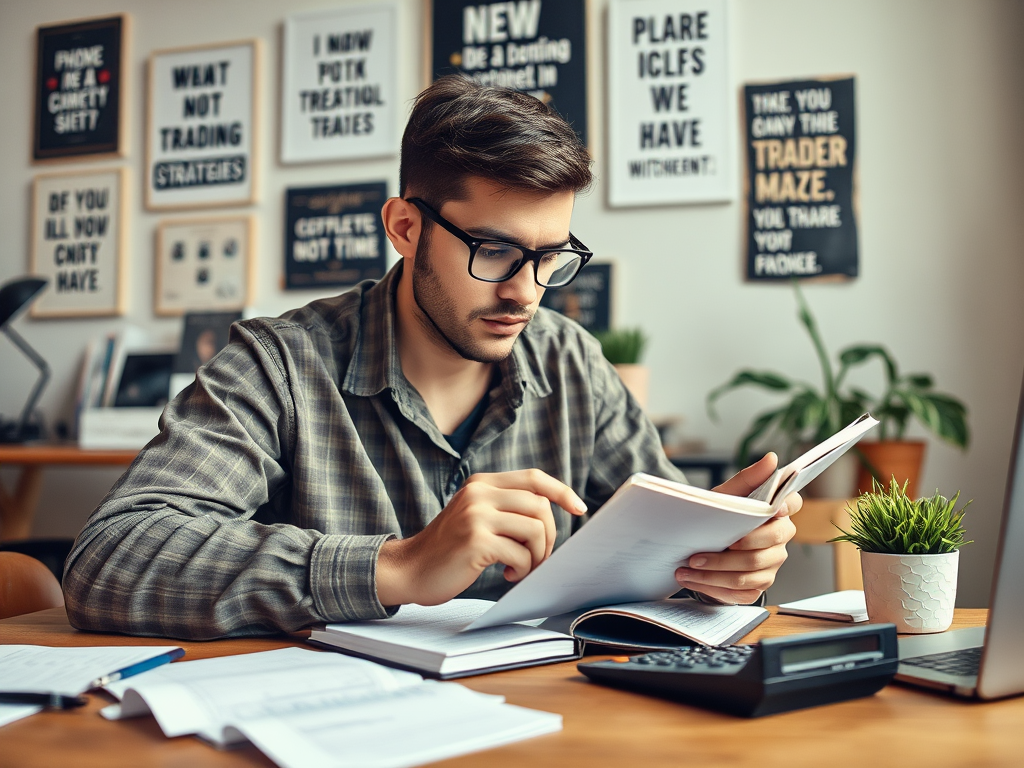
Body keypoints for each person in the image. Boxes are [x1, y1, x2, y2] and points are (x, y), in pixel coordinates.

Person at [63, 76, 799, 640]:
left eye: (550, 258)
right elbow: (113, 559)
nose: (526, 291)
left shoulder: (573, 364)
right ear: (406, 227)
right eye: (496, 250)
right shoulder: (278, 366)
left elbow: (667, 559)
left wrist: (719, 566)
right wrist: (399, 567)